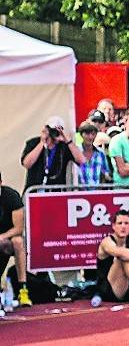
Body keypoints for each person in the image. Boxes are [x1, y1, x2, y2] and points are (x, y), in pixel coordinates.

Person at [21, 116, 85, 189]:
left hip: (56, 191)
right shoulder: (33, 143)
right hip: (35, 190)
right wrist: (42, 142)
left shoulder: (64, 146)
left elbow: (82, 160)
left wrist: (68, 141)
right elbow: (27, 164)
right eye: (52, 130)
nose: (54, 133)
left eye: (58, 130)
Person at [0, 170, 31, 308]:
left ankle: (23, 289)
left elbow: (19, 228)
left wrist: (2, 236)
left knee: (18, 242)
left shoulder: (11, 196)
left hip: (9, 238)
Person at [74, 120, 112, 186]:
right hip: (80, 192)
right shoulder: (76, 151)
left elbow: (106, 172)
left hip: (97, 192)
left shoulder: (101, 153)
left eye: (93, 134)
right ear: (81, 134)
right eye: (87, 134)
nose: (90, 137)